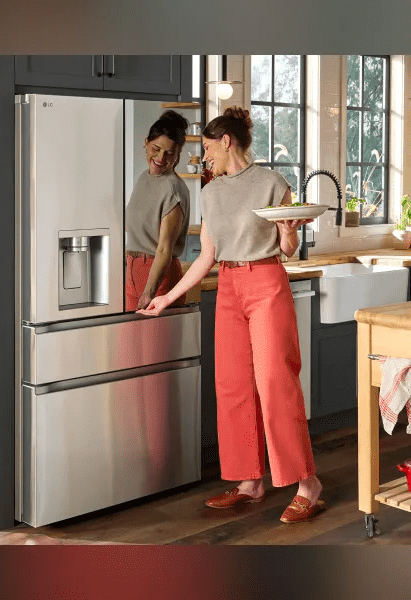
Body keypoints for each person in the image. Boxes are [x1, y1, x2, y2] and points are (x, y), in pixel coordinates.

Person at [137, 106, 325, 524]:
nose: (204, 158)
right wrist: (167, 296)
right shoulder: (211, 192)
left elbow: (287, 249)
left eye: (207, 148)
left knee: (276, 382)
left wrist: (291, 232)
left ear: (227, 141)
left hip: (266, 283)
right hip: (228, 288)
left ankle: (307, 484)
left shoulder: (273, 183)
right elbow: (207, 255)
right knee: (233, 386)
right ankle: (248, 481)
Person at [124, 110, 191, 312]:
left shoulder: (173, 189)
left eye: (170, 153)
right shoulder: (143, 178)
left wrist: (149, 292)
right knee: (131, 343)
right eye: (156, 148)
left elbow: (164, 249)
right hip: (132, 273)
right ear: (146, 143)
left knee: (157, 344)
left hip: (158, 278)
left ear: (178, 154)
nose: (161, 158)